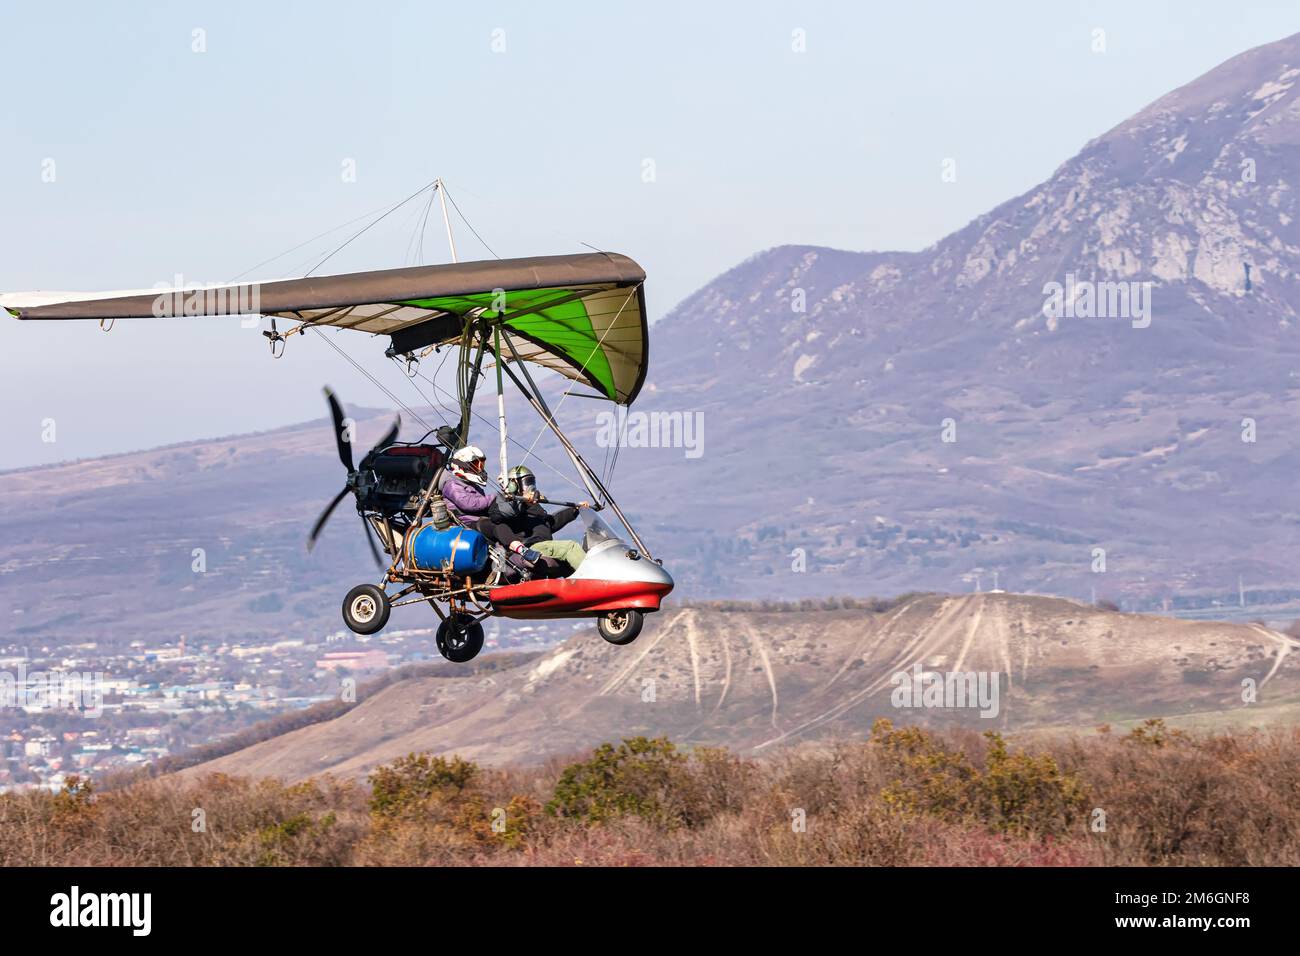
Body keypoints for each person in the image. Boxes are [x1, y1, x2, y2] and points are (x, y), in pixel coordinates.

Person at [441, 447, 548, 569]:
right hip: (466, 524)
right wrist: (496, 497)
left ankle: (504, 569)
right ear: (461, 466)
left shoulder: (471, 485)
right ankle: (522, 551)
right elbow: (469, 504)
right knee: (497, 526)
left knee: (504, 523)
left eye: (481, 465)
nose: (479, 469)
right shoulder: (452, 484)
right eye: (476, 465)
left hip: (479, 521)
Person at [495, 465, 589, 574]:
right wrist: (521, 502)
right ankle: (595, 578)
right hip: (531, 546)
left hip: (545, 545)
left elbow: (549, 523)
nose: (530, 487)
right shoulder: (513, 506)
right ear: (513, 485)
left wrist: (575, 510)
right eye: (526, 482)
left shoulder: (534, 506)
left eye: (531, 482)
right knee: (570, 547)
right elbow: (499, 517)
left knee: (576, 557)